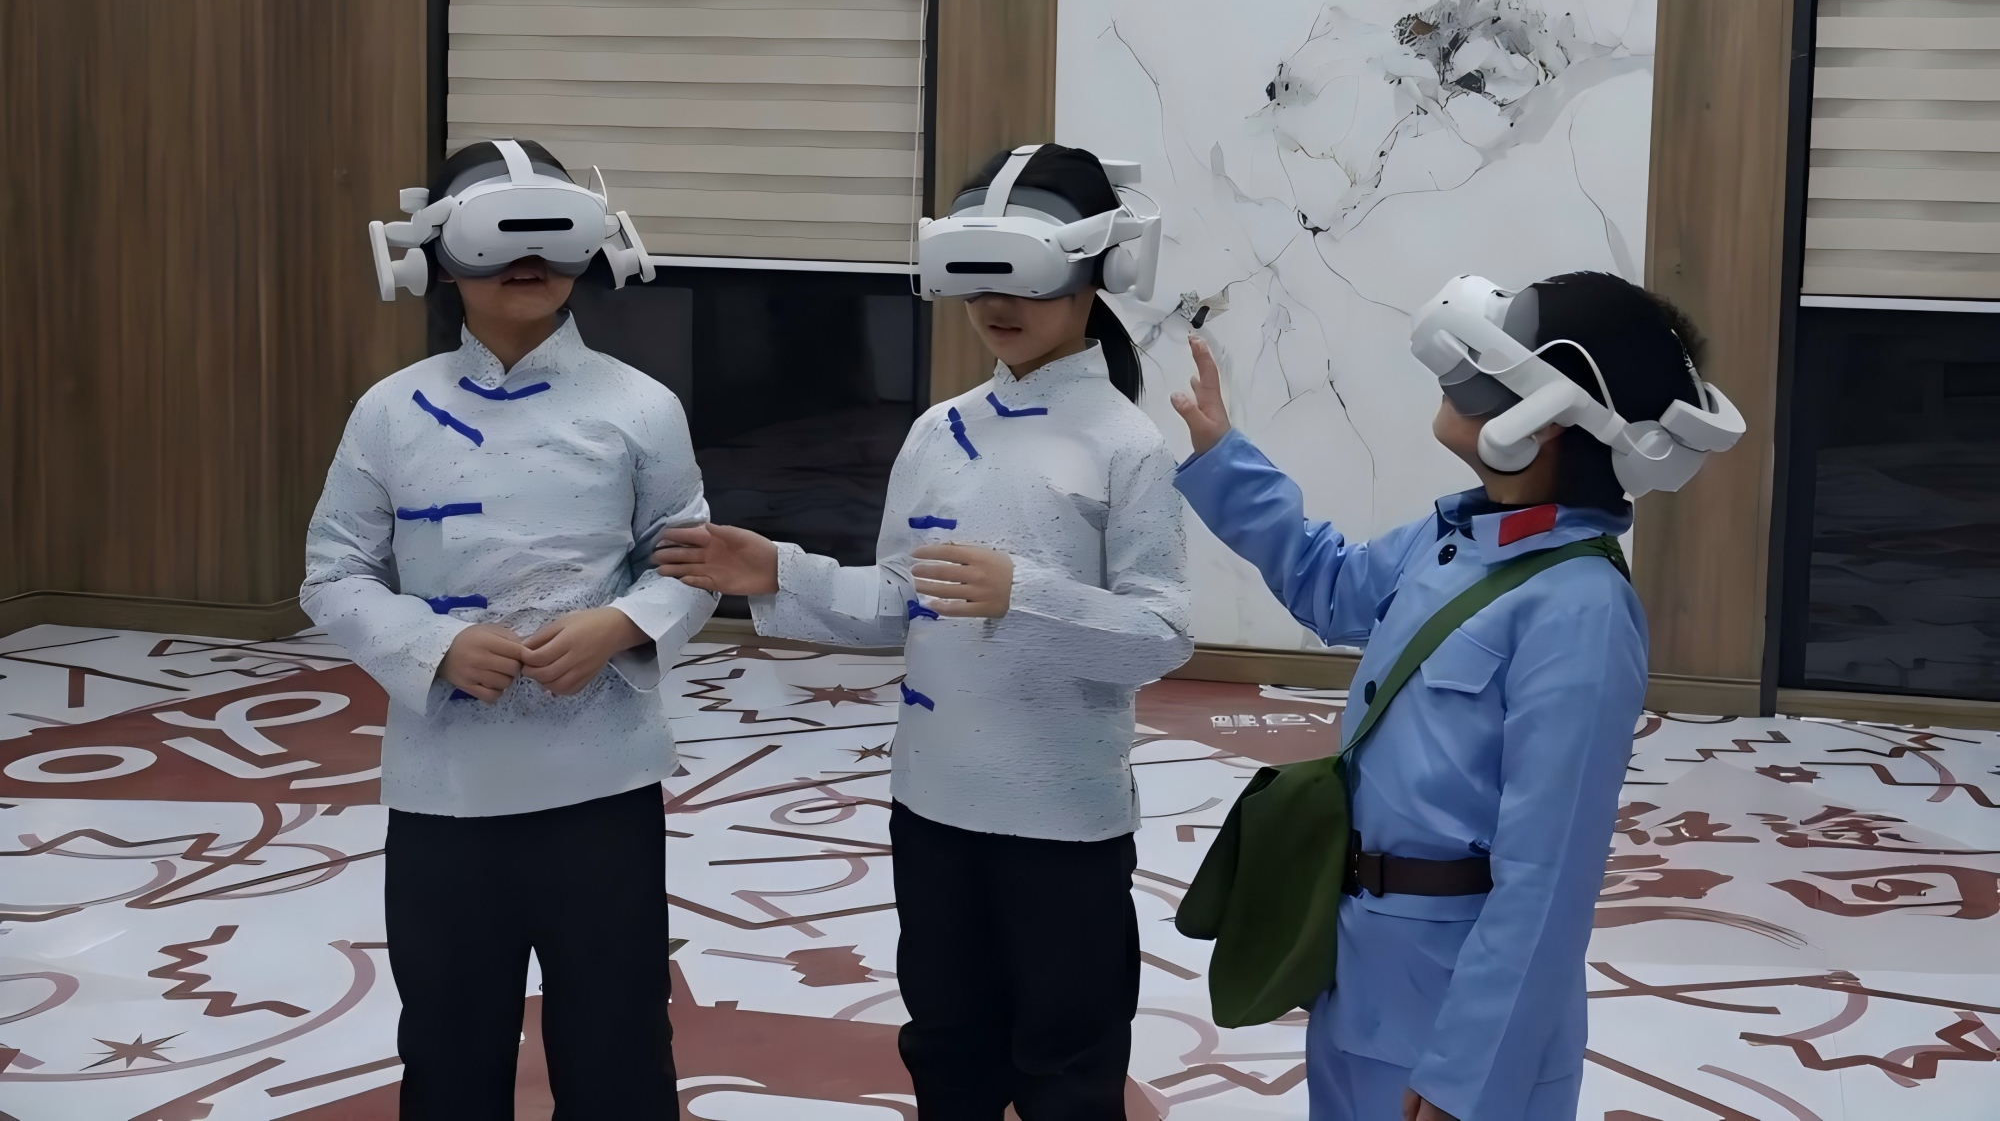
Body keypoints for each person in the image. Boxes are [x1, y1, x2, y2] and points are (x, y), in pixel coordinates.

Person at [654, 144, 1193, 1118]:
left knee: (1068, 1067)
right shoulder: (937, 431)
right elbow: (900, 600)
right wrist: (782, 571)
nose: (996, 303)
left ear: (1098, 269)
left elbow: (1161, 635)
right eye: (975, 276)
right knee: (946, 1048)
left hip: (1063, 821)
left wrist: (1026, 595)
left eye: (1023, 275)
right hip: (933, 808)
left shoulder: (1128, 444)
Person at [1169, 272, 1740, 1121]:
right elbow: (1330, 583)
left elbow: (1548, 878)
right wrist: (1225, 458)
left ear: (1544, 417)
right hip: (1361, 975)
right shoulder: (1455, 538)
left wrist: (1468, 1075)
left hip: (1457, 1019)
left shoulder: (1581, 608)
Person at [302, 139, 714, 1119]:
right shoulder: (390, 411)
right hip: (445, 785)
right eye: (497, 236)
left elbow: (689, 559)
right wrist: (432, 645)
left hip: (602, 779)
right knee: (449, 1038)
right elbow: (335, 571)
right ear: (439, 257)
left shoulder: (639, 405)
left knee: (618, 1037)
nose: (527, 260)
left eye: (550, 233)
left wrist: (620, 624)